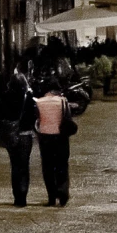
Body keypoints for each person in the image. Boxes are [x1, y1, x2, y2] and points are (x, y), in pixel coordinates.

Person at [0, 64, 37, 207]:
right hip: (25, 135)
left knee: (15, 165)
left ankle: (16, 197)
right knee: (24, 165)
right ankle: (23, 196)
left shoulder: (5, 97)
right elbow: (33, 116)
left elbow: (0, 114)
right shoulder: (29, 97)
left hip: (11, 135)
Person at [32, 75, 77, 205]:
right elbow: (68, 117)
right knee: (62, 165)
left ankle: (51, 197)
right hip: (61, 138)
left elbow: (36, 121)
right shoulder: (63, 101)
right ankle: (63, 193)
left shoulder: (39, 102)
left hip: (45, 137)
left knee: (48, 167)